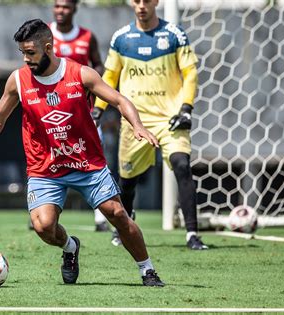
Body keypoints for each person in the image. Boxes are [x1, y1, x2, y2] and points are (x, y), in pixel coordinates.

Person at [0, 19, 164, 286]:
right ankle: (70, 248)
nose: (26, 59)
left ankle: (147, 270)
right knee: (43, 226)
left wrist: (137, 125)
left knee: (116, 213)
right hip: (45, 169)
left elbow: (119, 100)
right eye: (22, 53)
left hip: (86, 163)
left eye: (30, 53)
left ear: (48, 47)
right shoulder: (18, 80)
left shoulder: (81, 74)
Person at [92, 0, 208, 250]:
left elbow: (190, 73)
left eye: (147, 0)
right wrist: (98, 109)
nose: (142, 5)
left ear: (156, 2)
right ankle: (124, 224)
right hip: (135, 120)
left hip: (170, 118)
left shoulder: (175, 34)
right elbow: (109, 77)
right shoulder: (121, 38)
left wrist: (186, 107)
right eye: (137, 0)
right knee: (127, 180)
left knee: (182, 165)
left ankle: (192, 234)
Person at [49, 0, 109, 232]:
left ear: (74, 8)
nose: (60, 10)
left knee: (94, 160)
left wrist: (89, 82)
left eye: (65, 6)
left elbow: (99, 66)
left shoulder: (87, 37)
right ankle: (42, 211)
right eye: (57, 6)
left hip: (83, 115)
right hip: (51, 114)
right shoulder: (45, 33)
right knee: (47, 159)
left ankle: (101, 218)